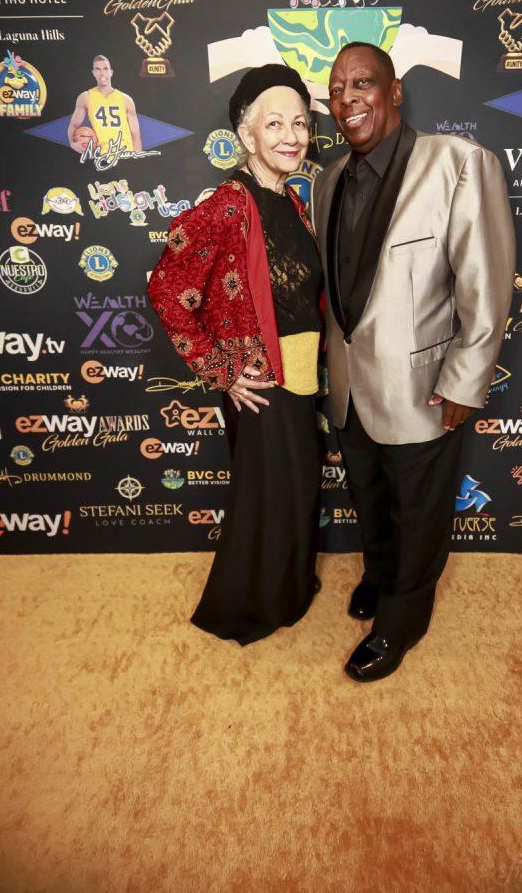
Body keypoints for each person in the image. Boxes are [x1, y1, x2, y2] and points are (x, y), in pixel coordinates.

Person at [311, 42, 516, 682]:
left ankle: (401, 622)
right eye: (337, 89)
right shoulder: (326, 180)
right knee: (370, 498)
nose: (348, 99)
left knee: (419, 512)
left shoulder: (458, 163)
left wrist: (465, 381)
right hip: (350, 387)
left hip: (425, 387)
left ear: (394, 91)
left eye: (363, 84)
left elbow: (486, 285)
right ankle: (380, 575)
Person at [147, 64, 323, 645]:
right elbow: (166, 289)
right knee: (268, 498)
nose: (291, 136)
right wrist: (220, 369)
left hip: (301, 376)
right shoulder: (228, 204)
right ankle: (250, 605)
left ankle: (288, 590)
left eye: (300, 123)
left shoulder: (291, 200)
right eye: (274, 124)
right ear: (246, 135)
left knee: (297, 490)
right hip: (262, 382)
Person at [67, 54, 142, 155]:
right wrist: (72, 144)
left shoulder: (126, 99)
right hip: (102, 156)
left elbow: (136, 135)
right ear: (94, 73)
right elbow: (74, 125)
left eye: (105, 69)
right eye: (98, 69)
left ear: (111, 72)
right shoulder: (85, 97)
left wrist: (137, 159)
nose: (102, 73)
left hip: (125, 154)